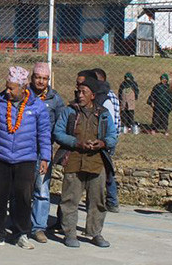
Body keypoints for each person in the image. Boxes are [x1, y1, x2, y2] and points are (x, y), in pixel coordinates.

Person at [0, 66, 51, 250]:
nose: (7, 91)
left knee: (24, 198)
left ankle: (21, 233)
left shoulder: (37, 106)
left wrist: (45, 157)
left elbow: (44, 134)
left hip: (26, 159)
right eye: (7, 87)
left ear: (23, 87)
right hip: (1, 157)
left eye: (12, 88)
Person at [53, 75, 116, 248]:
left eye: (84, 92)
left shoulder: (103, 114)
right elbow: (58, 133)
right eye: (78, 91)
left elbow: (112, 135)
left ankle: (95, 233)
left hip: (97, 162)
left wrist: (102, 143)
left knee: (97, 200)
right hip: (73, 160)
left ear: (93, 95)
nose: (79, 95)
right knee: (70, 199)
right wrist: (76, 143)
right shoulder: (69, 111)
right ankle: (70, 233)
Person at [28, 62, 64, 243]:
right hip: (23, 151)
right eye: (38, 77)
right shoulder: (23, 95)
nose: (41, 81)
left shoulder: (55, 99)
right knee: (22, 190)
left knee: (42, 190)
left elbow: (61, 124)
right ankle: (21, 223)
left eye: (44, 78)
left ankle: (38, 227)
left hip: (44, 151)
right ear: (32, 78)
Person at [92, 68, 121, 212]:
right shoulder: (109, 96)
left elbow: (111, 121)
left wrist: (109, 140)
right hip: (106, 138)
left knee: (107, 171)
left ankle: (112, 200)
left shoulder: (107, 98)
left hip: (106, 140)